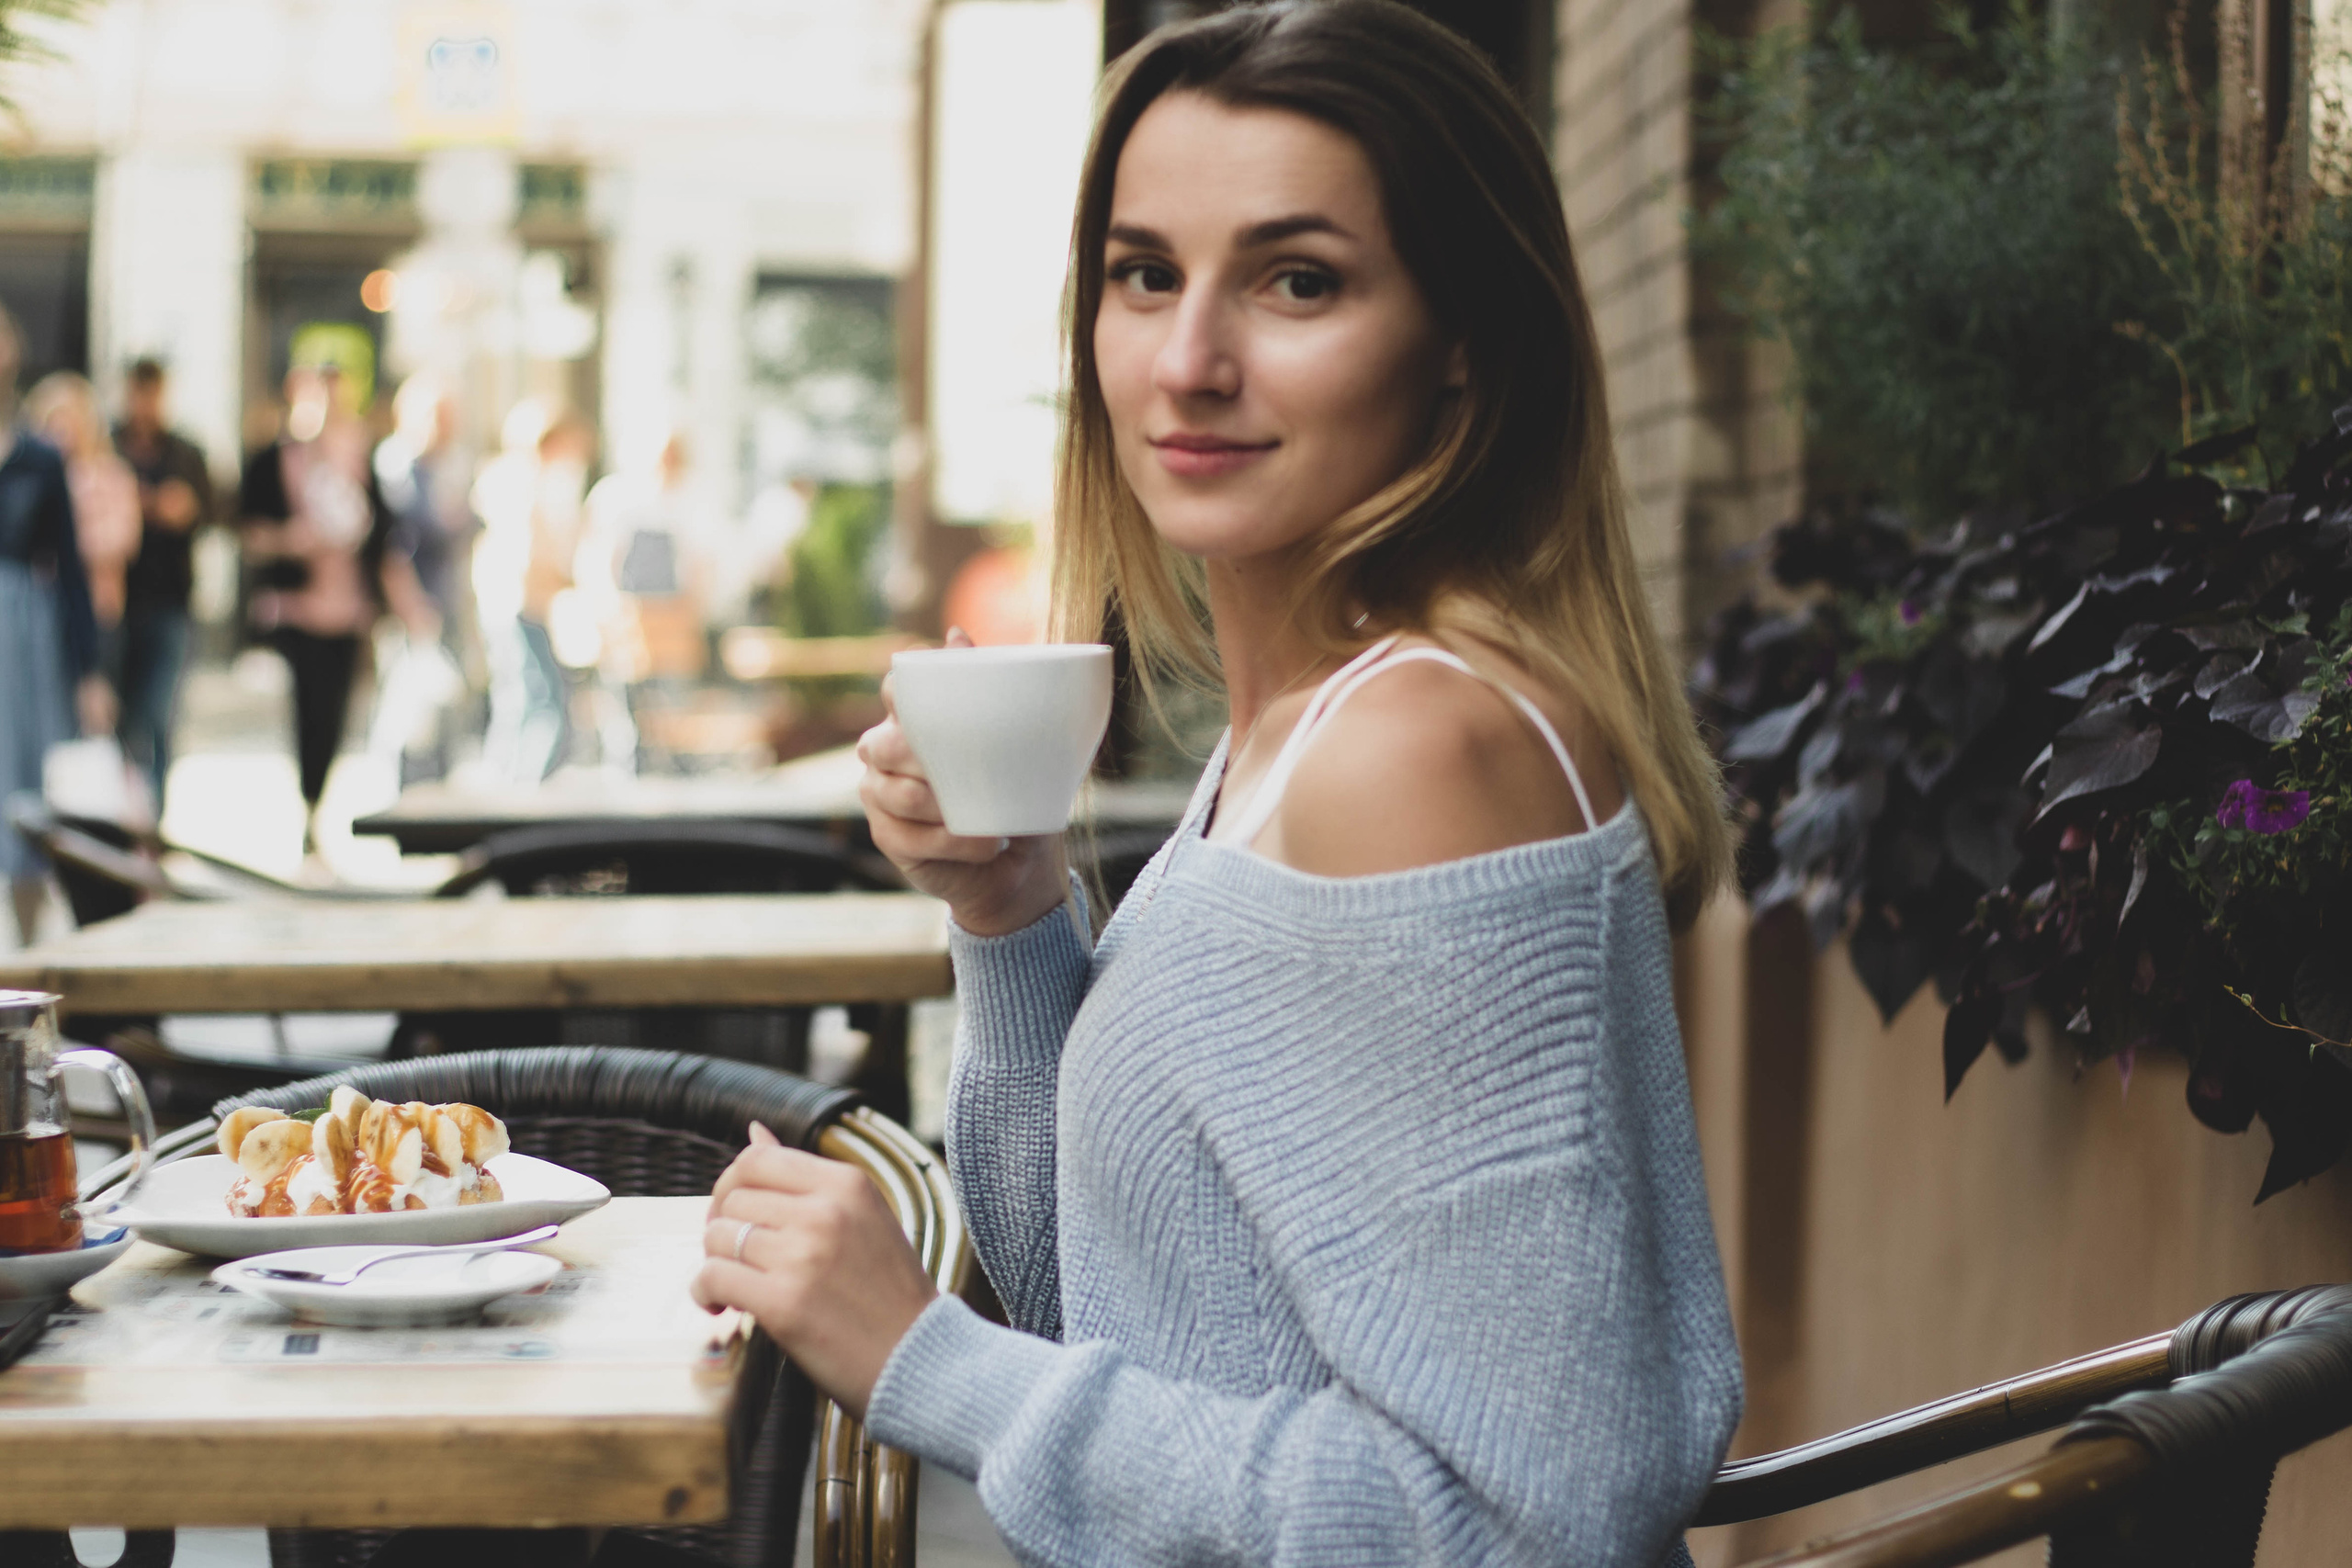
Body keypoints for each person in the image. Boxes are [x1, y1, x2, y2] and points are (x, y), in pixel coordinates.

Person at [693, 5, 1742, 1565]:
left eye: (1297, 279)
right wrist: (1009, 911)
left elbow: (1522, 1522)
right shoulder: (1297, 733)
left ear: (1463, 339)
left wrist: (926, 1358)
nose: (1191, 361)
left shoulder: (1412, 757)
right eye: (1145, 274)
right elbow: (1110, 1296)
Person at [239, 361, 435, 854]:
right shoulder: (272, 461)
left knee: (333, 711)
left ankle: (315, 802)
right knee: (304, 708)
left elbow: (384, 539)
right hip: (295, 609)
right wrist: (293, 542)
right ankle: (302, 800)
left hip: (347, 611)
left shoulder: (359, 460)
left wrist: (407, 605)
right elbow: (248, 534)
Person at [0, 305, 110, 942]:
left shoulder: (40, 459)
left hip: (22, 638)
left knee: (24, 786)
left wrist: (87, 668)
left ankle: (25, 944)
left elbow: (68, 565)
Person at [112, 357, 215, 809]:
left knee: (159, 711)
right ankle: (124, 808)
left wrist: (173, 509)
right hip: (118, 599)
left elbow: (209, 509)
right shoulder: (110, 445)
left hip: (170, 599)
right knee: (122, 712)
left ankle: (154, 810)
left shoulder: (184, 453)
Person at [26, 372, 141, 662]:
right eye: (55, 419)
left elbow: (121, 541)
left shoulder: (112, 475)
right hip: (39, 607)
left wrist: (66, 539)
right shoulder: (33, 479)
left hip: (96, 607)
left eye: (70, 418)